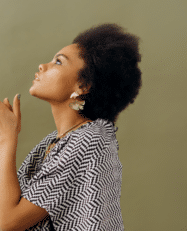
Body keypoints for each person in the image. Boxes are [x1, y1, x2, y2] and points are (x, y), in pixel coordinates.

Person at [17, 23, 142, 230]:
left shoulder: (91, 138)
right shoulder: (53, 142)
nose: (42, 66)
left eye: (58, 62)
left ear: (83, 86)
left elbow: (10, 221)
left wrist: (5, 137)